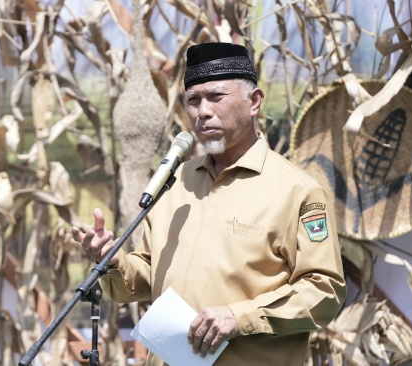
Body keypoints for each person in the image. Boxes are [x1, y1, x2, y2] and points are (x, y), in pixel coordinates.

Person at [72, 42, 346, 366]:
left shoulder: (297, 191)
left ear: (254, 102)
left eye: (216, 97)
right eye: (193, 100)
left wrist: (240, 317)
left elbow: (324, 292)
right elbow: (148, 275)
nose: (202, 111)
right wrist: (115, 262)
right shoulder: (173, 183)